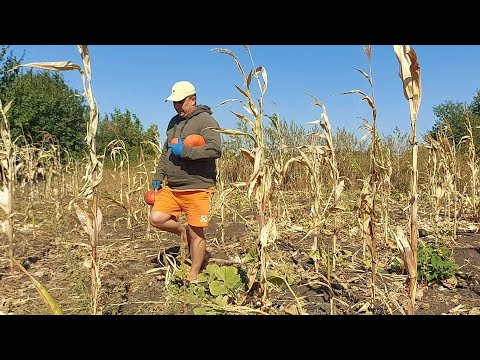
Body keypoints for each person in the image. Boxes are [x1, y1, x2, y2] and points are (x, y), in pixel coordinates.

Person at [149, 81, 222, 281]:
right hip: (173, 187)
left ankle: (193, 274)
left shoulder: (206, 120)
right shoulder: (174, 122)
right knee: (156, 218)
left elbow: (215, 149)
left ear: (193, 99)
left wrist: (187, 151)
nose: (177, 106)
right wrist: (158, 176)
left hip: (197, 187)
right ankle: (182, 232)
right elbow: (165, 152)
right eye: (174, 102)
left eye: (181, 102)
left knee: (197, 232)